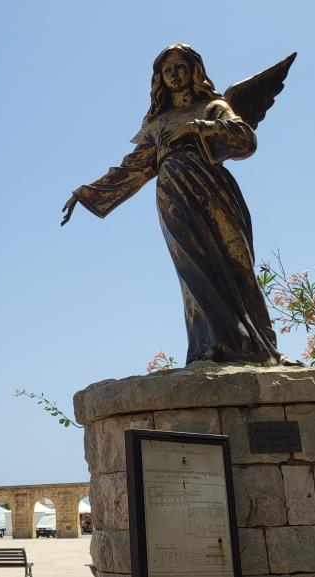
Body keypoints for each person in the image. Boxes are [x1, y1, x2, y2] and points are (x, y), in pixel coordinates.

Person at [61, 44, 289, 365]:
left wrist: (197, 127)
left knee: (237, 263)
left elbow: (245, 139)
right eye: (167, 70)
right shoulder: (158, 123)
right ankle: (211, 346)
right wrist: (88, 193)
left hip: (213, 188)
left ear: (194, 70)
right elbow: (134, 168)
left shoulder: (214, 106)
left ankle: (264, 349)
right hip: (173, 195)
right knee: (193, 268)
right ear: (160, 79)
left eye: (180, 66)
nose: (175, 74)